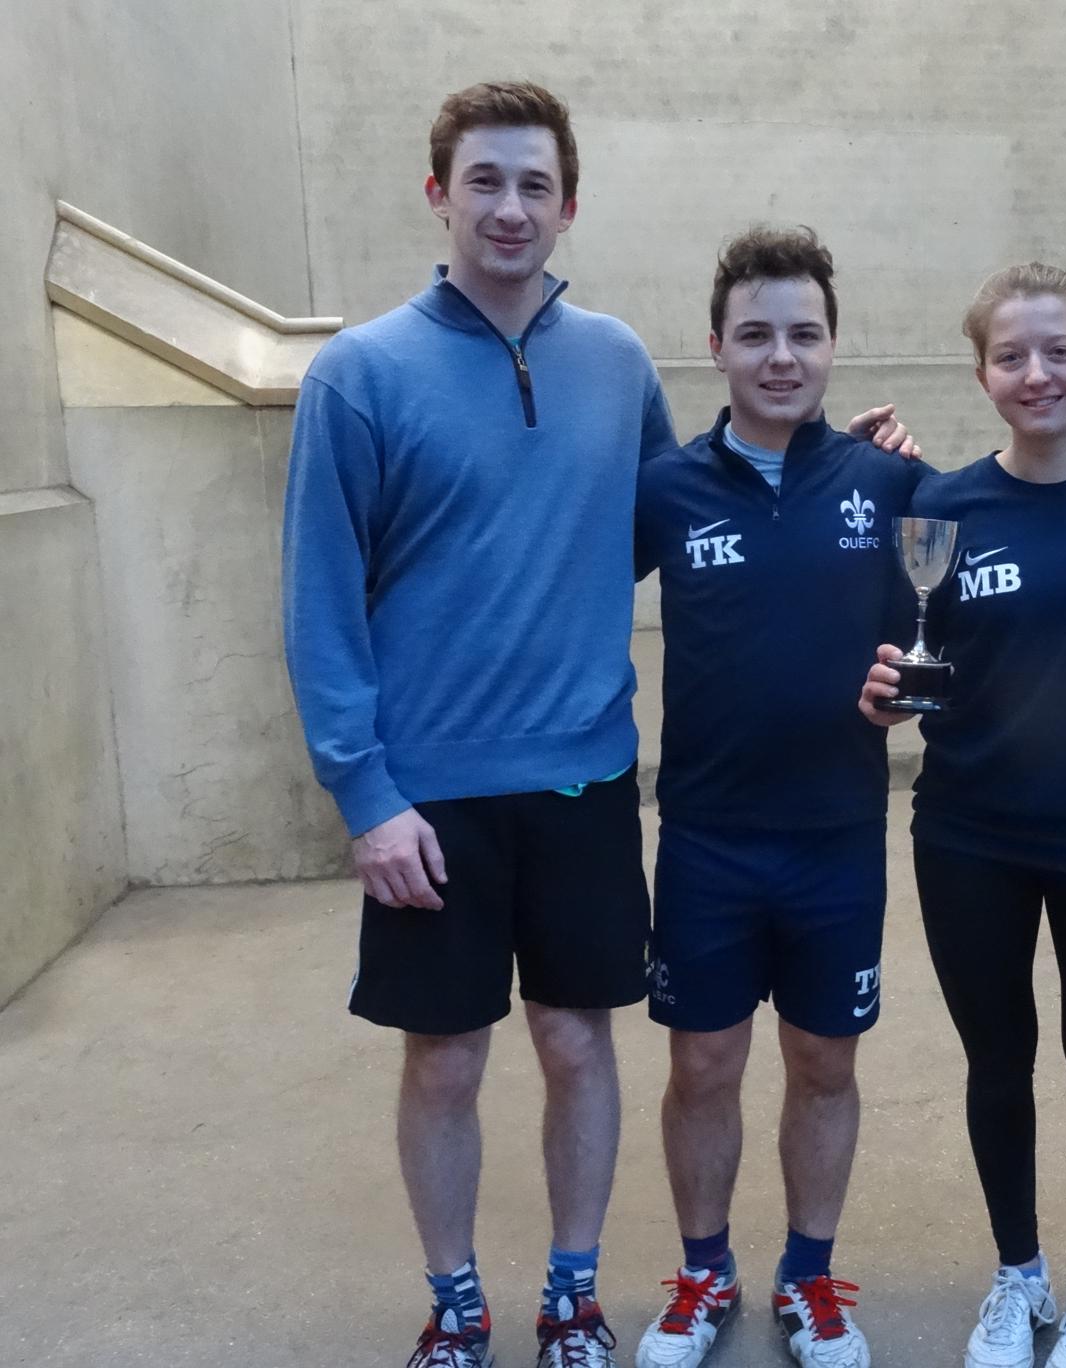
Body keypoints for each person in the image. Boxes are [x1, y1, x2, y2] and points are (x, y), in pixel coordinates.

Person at [283, 82, 915, 1368]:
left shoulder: (617, 363)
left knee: (579, 1045)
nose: (509, 208)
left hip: (584, 778)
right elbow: (316, 600)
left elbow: (686, 517)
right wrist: (363, 792)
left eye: (534, 186)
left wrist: (835, 466)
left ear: (568, 205)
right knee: (447, 1063)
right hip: (431, 794)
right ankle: (457, 1306)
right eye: (485, 181)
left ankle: (574, 1293)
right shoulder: (358, 374)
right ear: (439, 194)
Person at [860, 263, 1066, 1368]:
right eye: (1012, 356)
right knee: (996, 1061)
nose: (1037, 373)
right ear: (982, 374)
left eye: (1060, 351)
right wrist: (895, 693)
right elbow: (928, 657)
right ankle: (1018, 1276)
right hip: (970, 835)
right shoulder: (940, 507)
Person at [629, 226, 926, 1368]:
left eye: (804, 333)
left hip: (839, 837)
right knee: (701, 1064)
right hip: (705, 839)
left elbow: (946, 636)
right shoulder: (663, 489)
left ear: (832, 345)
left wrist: (917, 700)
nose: (781, 355)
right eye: (756, 334)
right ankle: (706, 1274)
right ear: (716, 348)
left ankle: (810, 1279)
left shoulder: (890, 480)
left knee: (824, 1064)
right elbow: (568, 594)